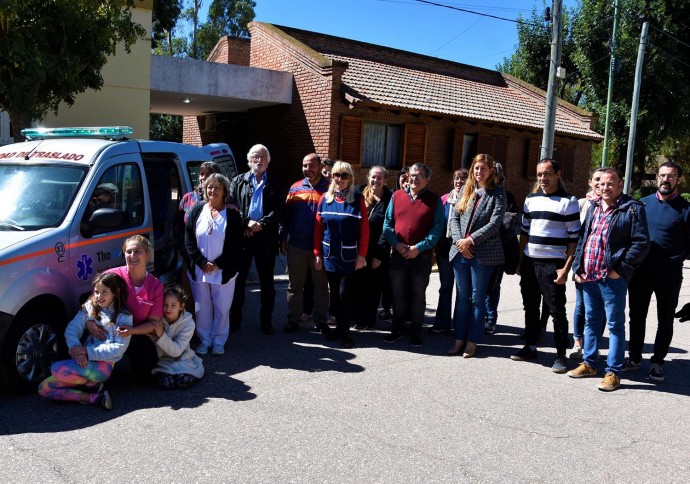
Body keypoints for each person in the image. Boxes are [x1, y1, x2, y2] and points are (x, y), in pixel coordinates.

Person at [568, 167, 649, 391]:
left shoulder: (632, 208)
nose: (605, 187)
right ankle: (590, 363)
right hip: (589, 275)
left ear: (620, 184)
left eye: (610, 183)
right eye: (602, 184)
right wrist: (577, 266)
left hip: (612, 278)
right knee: (591, 322)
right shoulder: (593, 207)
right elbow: (584, 237)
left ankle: (613, 372)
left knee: (614, 325)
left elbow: (641, 243)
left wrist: (621, 268)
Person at [511, 159, 580, 374]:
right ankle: (530, 346)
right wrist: (520, 261)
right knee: (530, 307)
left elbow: (573, 239)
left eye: (547, 173)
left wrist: (566, 269)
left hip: (553, 265)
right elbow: (524, 233)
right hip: (530, 263)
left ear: (558, 174)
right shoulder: (531, 199)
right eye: (539, 174)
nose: (543, 178)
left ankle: (560, 354)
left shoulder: (569, 202)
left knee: (557, 311)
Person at [624, 161, 690, 382]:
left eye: (671, 176)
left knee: (665, 320)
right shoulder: (642, 204)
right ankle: (634, 358)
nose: (665, 179)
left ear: (678, 179)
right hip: (641, 273)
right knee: (636, 317)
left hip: (669, 275)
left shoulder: (686, 209)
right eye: (662, 175)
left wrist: (676, 259)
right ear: (657, 178)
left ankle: (658, 362)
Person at [38, 272, 131, 410]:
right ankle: (94, 397)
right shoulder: (90, 307)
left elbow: (118, 348)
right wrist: (77, 351)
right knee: (44, 388)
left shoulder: (124, 316)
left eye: (104, 292)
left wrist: (87, 351)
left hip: (101, 368)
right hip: (82, 363)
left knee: (56, 369)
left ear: (116, 293)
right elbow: (72, 329)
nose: (99, 296)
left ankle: (93, 383)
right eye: (97, 292)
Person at [447, 154, 505, 357]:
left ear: (490, 170)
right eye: (476, 168)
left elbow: (495, 223)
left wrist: (470, 240)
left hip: (482, 254)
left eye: (482, 168)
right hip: (460, 252)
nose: (478, 172)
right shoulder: (466, 190)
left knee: (477, 298)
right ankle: (459, 339)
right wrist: (459, 241)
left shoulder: (498, 193)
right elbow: (454, 216)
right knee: (462, 298)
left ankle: (473, 341)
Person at [382, 162, 444, 347]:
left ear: (427, 179)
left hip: (421, 257)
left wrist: (419, 247)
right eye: (412, 175)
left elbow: (437, 229)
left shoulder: (435, 200)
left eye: (419, 176)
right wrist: (397, 244)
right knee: (398, 295)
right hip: (398, 256)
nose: (414, 178)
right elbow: (388, 224)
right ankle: (397, 330)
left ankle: (416, 332)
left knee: (418, 296)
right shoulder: (397, 196)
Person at [228, 144, 284, 335]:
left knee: (267, 282)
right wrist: (247, 223)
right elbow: (232, 207)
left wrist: (261, 225)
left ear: (268, 160)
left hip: (266, 239)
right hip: (243, 237)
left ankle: (266, 322)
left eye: (262, 157)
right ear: (248, 160)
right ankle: (235, 320)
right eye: (254, 157)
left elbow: (279, 210)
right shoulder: (237, 181)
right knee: (238, 281)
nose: (258, 160)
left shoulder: (276, 183)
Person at [185, 173, 242, 356]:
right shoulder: (196, 210)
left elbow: (236, 245)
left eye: (217, 187)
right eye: (210, 186)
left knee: (222, 307)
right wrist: (201, 262)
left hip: (223, 270)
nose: (212, 190)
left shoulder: (232, 215)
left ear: (224, 191)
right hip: (200, 269)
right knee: (202, 307)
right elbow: (188, 240)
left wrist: (217, 264)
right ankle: (204, 340)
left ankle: (219, 341)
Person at [313, 161, 369, 347]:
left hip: (350, 257)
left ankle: (346, 331)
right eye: (337, 175)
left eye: (344, 176)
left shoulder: (357, 199)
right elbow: (318, 229)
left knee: (345, 293)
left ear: (350, 179)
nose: (340, 179)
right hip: (329, 255)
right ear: (332, 177)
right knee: (335, 295)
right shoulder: (324, 199)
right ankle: (339, 328)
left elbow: (365, 230)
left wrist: (362, 254)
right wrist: (317, 253)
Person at [99, 235, 164, 377]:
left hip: (137, 333)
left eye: (138, 251)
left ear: (147, 255)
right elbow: (92, 304)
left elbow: (154, 323)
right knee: (100, 374)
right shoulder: (111, 276)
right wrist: (91, 324)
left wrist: (132, 331)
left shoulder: (155, 286)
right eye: (128, 252)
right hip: (108, 332)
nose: (132, 255)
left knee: (147, 368)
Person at [281, 153, 331, 333]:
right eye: (304, 166)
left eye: (311, 165)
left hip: (320, 248)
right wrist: (283, 238)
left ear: (319, 166)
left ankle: (321, 321)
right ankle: (293, 319)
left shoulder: (330, 189)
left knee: (320, 287)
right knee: (295, 286)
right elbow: (286, 217)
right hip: (297, 246)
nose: (307, 169)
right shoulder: (295, 188)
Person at [121, 285, 204, 389]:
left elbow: (177, 351)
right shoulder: (157, 319)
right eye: (165, 305)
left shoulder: (189, 323)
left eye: (173, 305)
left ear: (181, 306)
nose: (168, 309)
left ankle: (182, 374)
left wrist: (161, 335)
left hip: (183, 358)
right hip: (162, 361)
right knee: (166, 383)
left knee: (184, 381)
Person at [569, 167, 606, 359]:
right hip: (582, 265)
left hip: (603, 268)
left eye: (604, 181)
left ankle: (595, 344)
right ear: (590, 182)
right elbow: (576, 237)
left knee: (601, 308)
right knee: (582, 305)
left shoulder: (613, 205)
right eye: (597, 180)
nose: (600, 184)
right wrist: (575, 266)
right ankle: (578, 343)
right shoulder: (581, 204)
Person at [176, 161, 224, 313]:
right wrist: (183, 249)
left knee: (214, 296)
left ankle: (214, 329)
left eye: (208, 174)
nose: (203, 178)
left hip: (214, 257)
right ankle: (191, 330)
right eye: (202, 174)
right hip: (190, 254)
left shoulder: (224, 201)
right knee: (189, 293)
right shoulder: (188, 198)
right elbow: (177, 225)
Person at [352, 165, 392, 331]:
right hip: (358, 249)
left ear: (385, 180)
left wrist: (380, 254)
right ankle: (358, 318)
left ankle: (370, 319)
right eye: (373, 177)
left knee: (374, 286)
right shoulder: (358, 194)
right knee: (358, 285)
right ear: (368, 177)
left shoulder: (390, 199)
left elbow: (389, 228)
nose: (376, 180)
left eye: (379, 177)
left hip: (377, 250)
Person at [431, 168, 467, 334]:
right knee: (445, 286)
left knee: (462, 290)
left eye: (463, 178)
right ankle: (442, 324)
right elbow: (437, 225)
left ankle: (460, 325)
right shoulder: (444, 200)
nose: (459, 182)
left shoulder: (471, 200)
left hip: (462, 251)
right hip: (444, 250)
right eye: (456, 178)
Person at [484, 162, 517, 334]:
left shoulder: (507, 196)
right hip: (479, 248)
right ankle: (480, 317)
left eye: (493, 174)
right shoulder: (479, 194)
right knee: (479, 287)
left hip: (498, 249)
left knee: (493, 286)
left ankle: (490, 319)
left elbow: (508, 223)